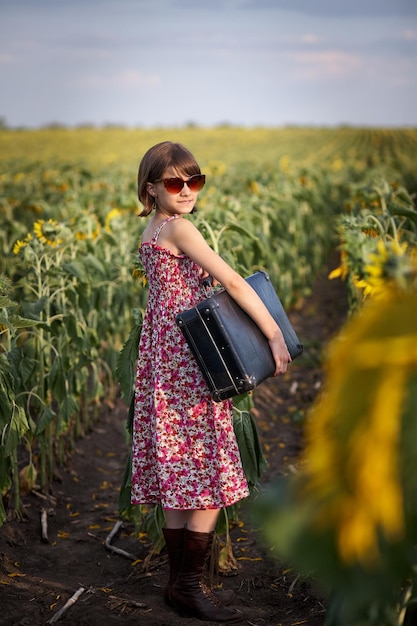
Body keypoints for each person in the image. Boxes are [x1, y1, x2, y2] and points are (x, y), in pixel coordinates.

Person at [131, 141, 291, 622]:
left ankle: (178, 587)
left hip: (165, 359)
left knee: (181, 471)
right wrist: (275, 336)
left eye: (194, 181)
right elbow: (236, 283)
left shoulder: (152, 229)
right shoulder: (181, 228)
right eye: (175, 183)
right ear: (151, 189)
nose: (186, 191)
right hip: (191, 363)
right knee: (209, 469)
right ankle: (189, 586)